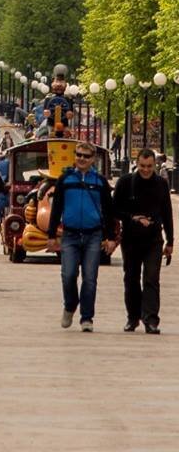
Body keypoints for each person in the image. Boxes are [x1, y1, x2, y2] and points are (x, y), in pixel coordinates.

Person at [47, 142, 117, 332]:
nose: (82, 159)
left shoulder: (100, 182)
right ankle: (70, 305)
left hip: (93, 235)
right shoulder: (65, 179)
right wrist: (51, 234)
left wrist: (111, 238)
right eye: (79, 155)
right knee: (68, 275)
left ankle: (87, 318)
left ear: (93, 159)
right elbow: (57, 208)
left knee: (90, 278)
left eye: (86, 156)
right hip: (70, 235)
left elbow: (109, 212)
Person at [112, 147, 174, 333]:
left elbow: (167, 212)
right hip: (131, 239)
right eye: (142, 166)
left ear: (155, 165)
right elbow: (114, 210)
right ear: (136, 164)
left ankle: (151, 319)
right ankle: (133, 317)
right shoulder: (125, 182)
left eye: (149, 166)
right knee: (131, 278)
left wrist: (170, 240)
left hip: (154, 239)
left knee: (151, 278)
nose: (146, 170)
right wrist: (133, 218)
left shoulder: (161, 184)